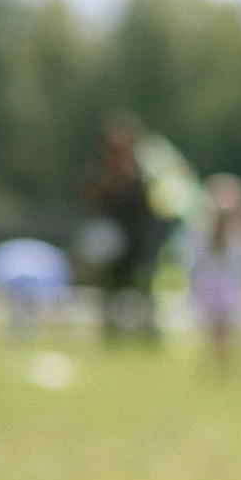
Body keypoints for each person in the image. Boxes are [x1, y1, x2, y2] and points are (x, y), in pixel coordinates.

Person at [80, 114, 164, 345]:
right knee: (110, 286)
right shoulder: (101, 173)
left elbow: (155, 204)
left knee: (143, 284)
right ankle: (112, 331)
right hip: (112, 239)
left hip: (139, 238)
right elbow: (92, 201)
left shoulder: (143, 172)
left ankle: (148, 330)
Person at [192, 173, 241, 378]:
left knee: (232, 331)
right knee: (213, 331)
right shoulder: (203, 232)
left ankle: (233, 371)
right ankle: (215, 370)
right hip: (213, 284)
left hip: (230, 285)